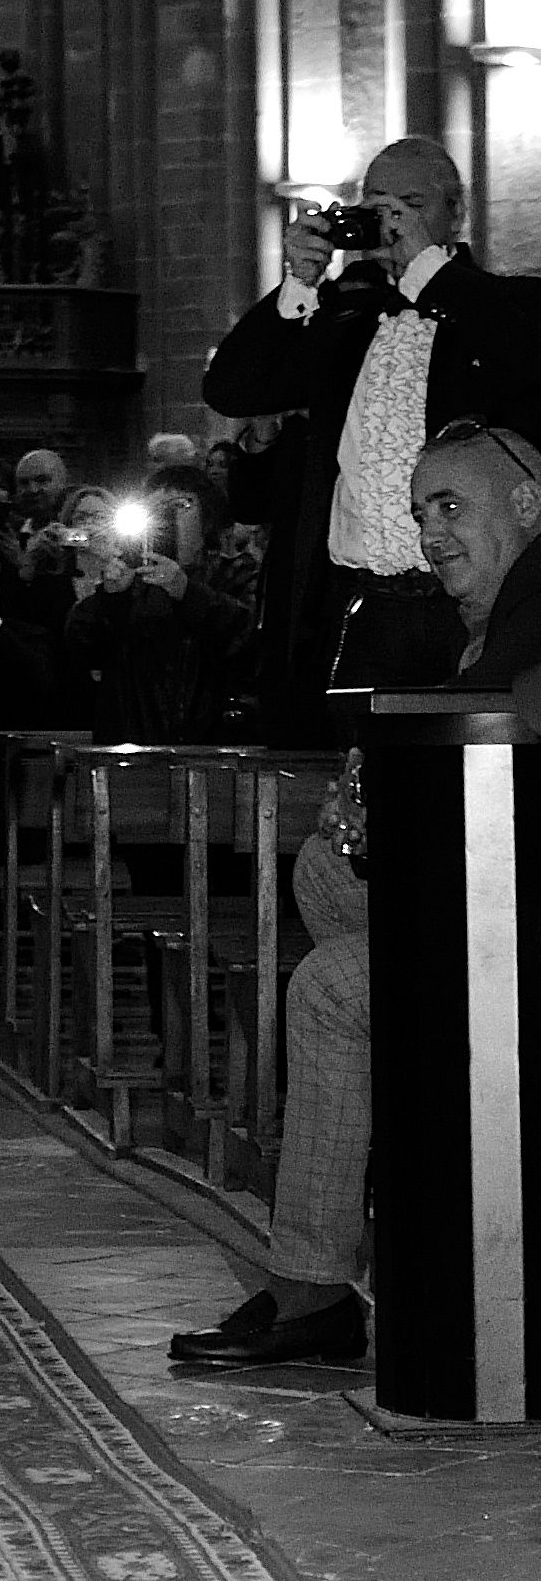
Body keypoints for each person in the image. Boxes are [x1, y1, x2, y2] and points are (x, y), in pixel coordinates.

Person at [169, 420, 541, 1370]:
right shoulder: (492, 614)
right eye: (419, 514)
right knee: (323, 869)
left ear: (525, 503)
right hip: (492, 893)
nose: (429, 533)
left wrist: (393, 792)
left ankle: (316, 1289)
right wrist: (369, 800)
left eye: (448, 506)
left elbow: (502, 742)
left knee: (333, 988)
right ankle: (422, 1154)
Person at [203, 139, 541, 724]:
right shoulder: (345, 314)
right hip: (356, 606)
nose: (392, 219)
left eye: (412, 204)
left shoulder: (504, 302)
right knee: (347, 766)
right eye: (378, 204)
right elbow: (233, 389)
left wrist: (430, 272)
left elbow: (526, 352)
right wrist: (300, 282)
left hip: (474, 607)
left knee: (464, 762)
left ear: (456, 212)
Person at [61, 477, 254, 743]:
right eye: (155, 510)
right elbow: (81, 651)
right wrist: (111, 597)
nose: (164, 519)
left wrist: (187, 592)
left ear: (208, 521)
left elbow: (248, 644)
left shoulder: (236, 575)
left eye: (179, 506)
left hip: (213, 748)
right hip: (134, 747)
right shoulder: (130, 583)